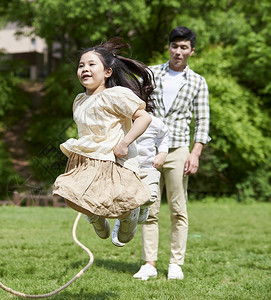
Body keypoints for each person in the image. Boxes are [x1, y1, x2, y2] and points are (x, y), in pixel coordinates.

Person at [53, 37, 155, 245]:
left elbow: (144, 118)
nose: (85, 69)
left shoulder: (116, 95)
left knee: (119, 202)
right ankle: (94, 216)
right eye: (81, 65)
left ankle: (129, 216)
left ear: (107, 72)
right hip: (87, 156)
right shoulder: (79, 100)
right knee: (67, 192)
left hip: (114, 158)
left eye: (91, 64)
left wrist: (125, 143)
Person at [134, 26, 210, 280]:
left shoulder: (198, 82)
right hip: (150, 149)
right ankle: (149, 264)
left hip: (178, 150)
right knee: (149, 207)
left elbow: (202, 121)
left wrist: (195, 153)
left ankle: (176, 263)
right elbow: (138, 107)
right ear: (169, 47)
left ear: (191, 51)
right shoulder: (151, 74)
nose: (178, 51)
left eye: (184, 47)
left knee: (178, 209)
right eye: (174, 46)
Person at [111, 115, 169, 247]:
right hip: (126, 168)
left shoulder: (154, 122)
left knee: (150, 197)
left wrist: (162, 153)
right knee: (125, 200)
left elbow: (164, 135)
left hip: (147, 167)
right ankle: (123, 219)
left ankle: (143, 207)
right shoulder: (119, 121)